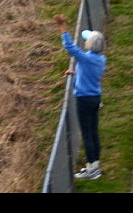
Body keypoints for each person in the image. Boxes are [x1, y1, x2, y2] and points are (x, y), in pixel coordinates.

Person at [55, 14, 107, 180]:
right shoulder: (100, 59)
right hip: (95, 98)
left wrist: (62, 25)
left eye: (87, 39)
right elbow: (89, 74)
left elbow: (69, 47)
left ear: (90, 45)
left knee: (87, 134)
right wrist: (76, 74)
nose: (85, 41)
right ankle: (94, 166)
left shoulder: (85, 58)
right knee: (93, 132)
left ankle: (92, 170)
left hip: (84, 101)